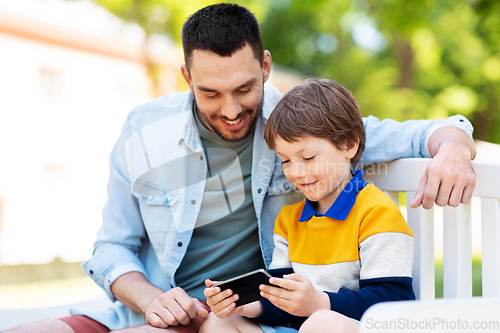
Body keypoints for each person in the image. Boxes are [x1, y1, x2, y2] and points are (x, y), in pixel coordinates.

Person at [7, 3, 475, 333]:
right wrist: (154, 300)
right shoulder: (144, 132)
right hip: (155, 311)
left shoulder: (297, 126)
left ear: (266, 67)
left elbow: (419, 133)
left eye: (244, 89)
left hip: (241, 318)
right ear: (187, 77)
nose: (231, 109)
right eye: (210, 93)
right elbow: (111, 248)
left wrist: (454, 146)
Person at [202, 78, 415, 333]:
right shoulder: (288, 220)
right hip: (302, 328)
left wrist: (319, 303)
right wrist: (244, 305)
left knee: (321, 322)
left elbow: (392, 302)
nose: (296, 172)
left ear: (349, 144)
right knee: (220, 321)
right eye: (285, 161)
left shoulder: (377, 213)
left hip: (356, 327)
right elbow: (283, 301)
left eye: (308, 157)